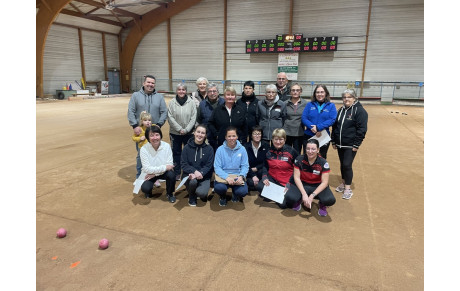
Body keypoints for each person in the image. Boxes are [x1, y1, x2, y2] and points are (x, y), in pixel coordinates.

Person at [282, 139, 336, 216]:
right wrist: (304, 194)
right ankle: (299, 199)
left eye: (313, 149)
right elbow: (296, 178)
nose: (310, 151)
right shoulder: (299, 159)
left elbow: (325, 182)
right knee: (289, 197)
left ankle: (322, 204)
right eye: (308, 148)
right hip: (303, 183)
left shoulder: (323, 163)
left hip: (317, 185)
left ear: (318, 150)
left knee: (330, 200)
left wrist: (312, 196)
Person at [331, 88, 368, 200]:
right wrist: (333, 140)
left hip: (350, 145)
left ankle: (348, 188)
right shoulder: (341, 110)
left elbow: (362, 129)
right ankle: (343, 183)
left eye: (349, 97)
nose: (346, 99)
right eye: (344, 97)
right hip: (340, 143)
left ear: (354, 98)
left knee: (347, 165)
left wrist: (356, 144)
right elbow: (335, 126)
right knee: (342, 164)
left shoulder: (360, 111)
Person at [127, 75, 168, 177]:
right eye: (148, 82)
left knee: (155, 152)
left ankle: (155, 176)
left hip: (155, 131)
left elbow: (164, 112)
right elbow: (130, 111)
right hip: (141, 131)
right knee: (141, 154)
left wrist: (159, 125)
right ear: (143, 83)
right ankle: (140, 176)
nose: (150, 85)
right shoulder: (135, 96)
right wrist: (135, 125)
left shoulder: (159, 97)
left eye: (152, 83)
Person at [167, 83, 197, 180]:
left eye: (183, 89)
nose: (181, 91)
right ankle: (177, 172)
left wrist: (187, 129)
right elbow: (170, 117)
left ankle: (188, 171)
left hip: (189, 133)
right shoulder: (172, 102)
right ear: (176, 91)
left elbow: (194, 117)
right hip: (175, 133)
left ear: (186, 91)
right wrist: (179, 129)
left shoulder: (191, 102)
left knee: (189, 153)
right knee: (176, 153)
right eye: (179, 89)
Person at [139, 125, 177, 203]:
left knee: (171, 175)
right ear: (148, 137)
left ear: (160, 135)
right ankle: (149, 191)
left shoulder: (166, 146)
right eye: (152, 135)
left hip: (157, 173)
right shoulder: (143, 149)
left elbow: (169, 165)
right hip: (149, 174)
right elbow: (147, 169)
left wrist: (155, 174)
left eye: (157, 135)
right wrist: (158, 172)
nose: (155, 138)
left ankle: (170, 194)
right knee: (145, 188)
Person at [213, 126, 249, 206]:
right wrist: (227, 177)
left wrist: (241, 176)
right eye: (229, 136)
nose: (231, 138)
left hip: (237, 176)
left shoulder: (242, 149)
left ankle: (235, 193)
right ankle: (222, 197)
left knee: (243, 192)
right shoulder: (220, 149)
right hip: (223, 176)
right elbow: (217, 167)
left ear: (237, 137)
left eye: (233, 136)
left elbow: (245, 166)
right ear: (225, 137)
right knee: (219, 188)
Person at [180, 124, 214, 206]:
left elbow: (209, 165)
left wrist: (201, 173)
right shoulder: (186, 148)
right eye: (198, 132)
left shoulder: (209, 149)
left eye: (203, 133)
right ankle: (192, 196)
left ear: (205, 135)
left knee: (202, 194)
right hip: (189, 175)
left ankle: (197, 192)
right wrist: (194, 171)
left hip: (204, 176)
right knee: (192, 182)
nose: (200, 134)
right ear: (194, 133)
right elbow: (183, 164)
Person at [257, 128, 298, 195]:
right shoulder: (268, 151)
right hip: (273, 178)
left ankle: (276, 194)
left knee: (289, 200)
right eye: (276, 139)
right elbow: (265, 165)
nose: (278, 142)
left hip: (287, 180)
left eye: (281, 139)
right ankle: (278, 194)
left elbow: (297, 169)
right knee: (260, 186)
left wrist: (290, 182)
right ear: (272, 140)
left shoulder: (292, 151)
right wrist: (264, 177)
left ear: (285, 140)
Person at [301, 84, 337, 159]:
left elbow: (332, 119)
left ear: (326, 93)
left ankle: (320, 171)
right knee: (307, 156)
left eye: (322, 92)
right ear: (314, 94)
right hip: (309, 135)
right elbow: (304, 118)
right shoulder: (309, 105)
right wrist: (312, 127)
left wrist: (318, 127)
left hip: (323, 135)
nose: (319, 94)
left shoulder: (331, 106)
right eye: (317, 92)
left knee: (322, 157)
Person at [197, 83, 224, 151]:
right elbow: (199, 119)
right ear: (207, 93)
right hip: (207, 137)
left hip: (222, 137)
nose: (212, 93)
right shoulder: (202, 104)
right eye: (210, 91)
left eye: (214, 91)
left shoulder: (224, 103)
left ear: (218, 92)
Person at [243, 125, 269, 193]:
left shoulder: (266, 145)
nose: (257, 136)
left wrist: (257, 168)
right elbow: (244, 163)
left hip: (261, 170)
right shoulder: (245, 146)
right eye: (255, 134)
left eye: (259, 134)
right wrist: (253, 175)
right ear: (251, 135)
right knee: (251, 183)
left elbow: (267, 161)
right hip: (249, 171)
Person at [283, 83, 307, 154]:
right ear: (290, 92)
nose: (295, 92)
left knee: (297, 153)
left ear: (300, 92)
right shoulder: (284, 103)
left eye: (297, 90)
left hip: (299, 133)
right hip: (287, 132)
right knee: (286, 153)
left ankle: (296, 165)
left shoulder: (305, 104)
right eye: (293, 90)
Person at [132, 111, 153, 179]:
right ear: (141, 121)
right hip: (142, 148)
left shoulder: (153, 128)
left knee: (151, 162)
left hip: (151, 149)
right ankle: (139, 176)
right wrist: (140, 138)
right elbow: (133, 137)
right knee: (140, 162)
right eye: (145, 120)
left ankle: (153, 177)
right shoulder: (139, 129)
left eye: (149, 120)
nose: (148, 122)